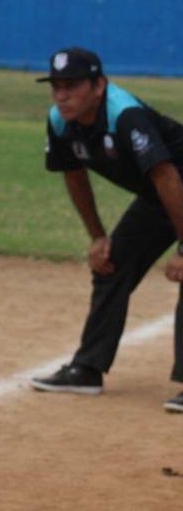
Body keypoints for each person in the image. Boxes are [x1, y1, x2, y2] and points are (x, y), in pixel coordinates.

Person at [28, 47, 183, 413]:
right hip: (161, 195)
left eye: (72, 86)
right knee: (111, 262)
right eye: (56, 87)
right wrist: (98, 236)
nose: (62, 95)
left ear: (99, 86)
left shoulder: (125, 116)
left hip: (173, 185)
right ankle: (87, 369)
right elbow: (73, 174)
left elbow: (167, 175)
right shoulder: (60, 120)